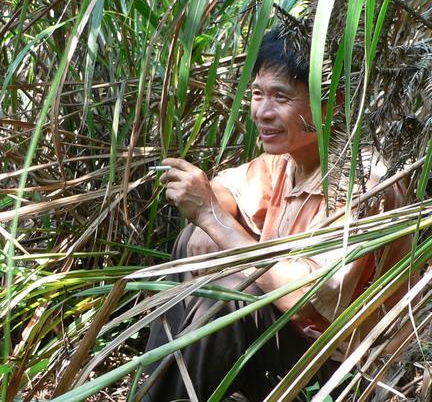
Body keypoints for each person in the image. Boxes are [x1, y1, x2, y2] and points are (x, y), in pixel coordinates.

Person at [141, 28, 410, 401]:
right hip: (287, 350)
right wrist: (214, 210)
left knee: (234, 294)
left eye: (280, 97)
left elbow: (307, 295)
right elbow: (229, 186)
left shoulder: (364, 181)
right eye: (256, 94)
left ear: (332, 102)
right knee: (196, 241)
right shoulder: (287, 160)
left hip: (344, 372)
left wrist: (211, 218)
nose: (262, 112)